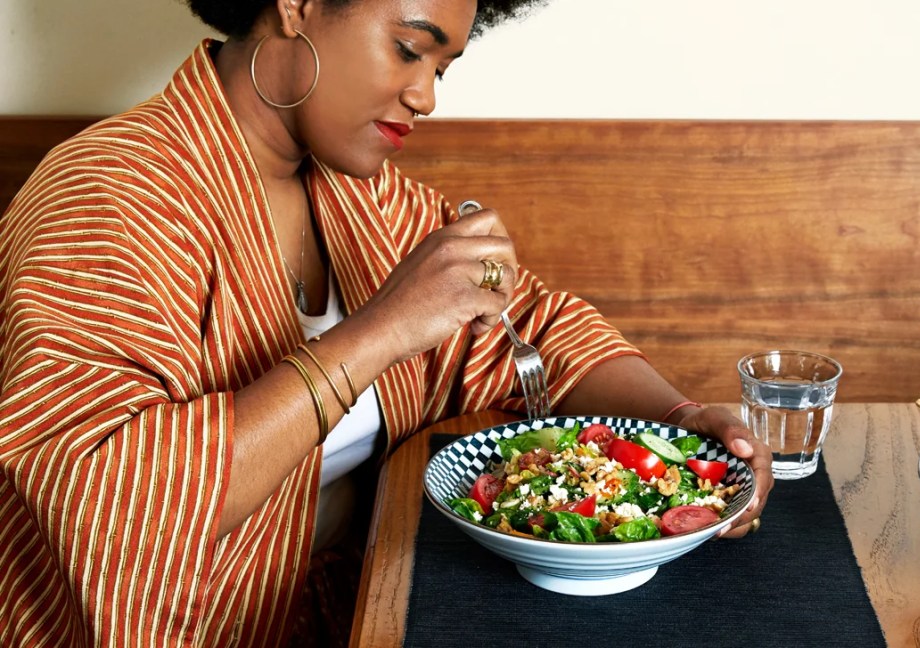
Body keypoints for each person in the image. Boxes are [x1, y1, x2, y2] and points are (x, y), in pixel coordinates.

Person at [0, 0, 773, 645]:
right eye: (408, 50)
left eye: (441, 69)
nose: (427, 95)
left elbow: (530, 325)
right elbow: (108, 499)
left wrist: (681, 417)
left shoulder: (360, 195)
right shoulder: (103, 195)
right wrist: (381, 329)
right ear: (296, 4)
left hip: (359, 611)